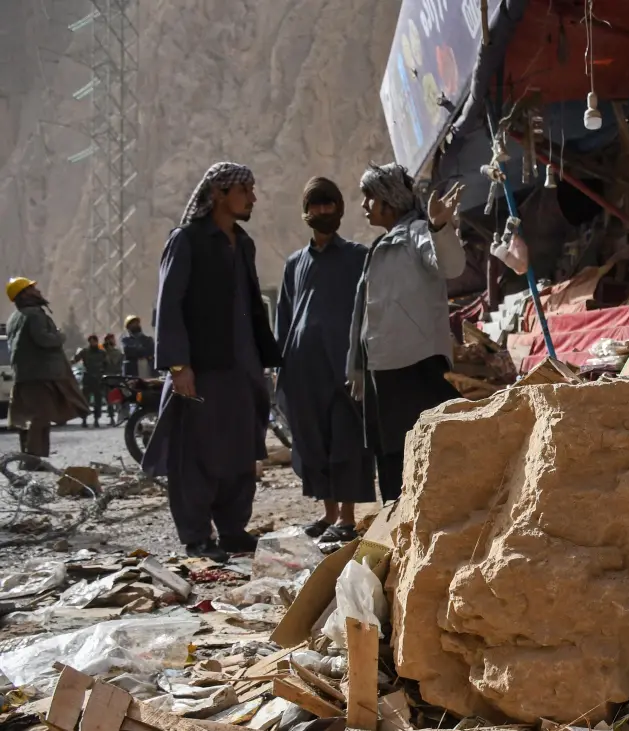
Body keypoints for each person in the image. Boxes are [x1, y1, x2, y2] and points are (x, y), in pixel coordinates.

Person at [144, 162, 282, 562]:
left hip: (243, 366)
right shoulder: (186, 240)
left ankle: (233, 531)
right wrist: (178, 366)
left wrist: (264, 359)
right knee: (197, 455)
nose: (253, 198)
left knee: (240, 451)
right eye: (245, 191)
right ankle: (197, 536)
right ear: (220, 194)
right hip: (201, 368)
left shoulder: (244, 243)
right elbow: (169, 305)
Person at [348, 163, 465, 503]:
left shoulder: (417, 234)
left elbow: (451, 265)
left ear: (389, 200)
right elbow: (364, 315)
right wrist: (357, 367)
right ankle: (396, 525)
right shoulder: (379, 247)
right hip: (381, 371)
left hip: (415, 367)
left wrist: (440, 226)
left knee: (425, 456)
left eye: (369, 197)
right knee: (390, 459)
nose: (364, 205)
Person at [276, 177, 375, 542]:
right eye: (315, 205)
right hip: (304, 369)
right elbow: (285, 317)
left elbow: (369, 311)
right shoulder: (295, 263)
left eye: (328, 204)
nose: (322, 210)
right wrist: (280, 365)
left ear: (339, 208)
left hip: (345, 367)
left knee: (346, 441)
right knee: (313, 441)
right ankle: (329, 514)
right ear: (306, 212)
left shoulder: (358, 257)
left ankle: (347, 518)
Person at [5, 277, 90, 459]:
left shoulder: (14, 318)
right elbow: (43, 339)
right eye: (32, 289)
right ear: (24, 294)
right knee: (41, 416)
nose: (38, 291)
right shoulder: (35, 315)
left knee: (29, 417)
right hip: (40, 376)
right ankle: (33, 459)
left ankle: (33, 457)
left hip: (24, 375)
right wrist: (60, 337)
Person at [72, 334, 107, 428]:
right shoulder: (85, 352)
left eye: (94, 341)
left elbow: (106, 364)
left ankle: (96, 419)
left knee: (98, 401)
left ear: (97, 342)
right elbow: (75, 360)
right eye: (91, 342)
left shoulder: (102, 353)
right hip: (88, 378)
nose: (93, 343)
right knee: (85, 400)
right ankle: (84, 419)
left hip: (98, 379)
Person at [101, 333, 124, 425]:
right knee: (110, 399)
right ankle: (113, 418)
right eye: (112, 339)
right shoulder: (103, 352)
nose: (114, 341)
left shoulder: (116, 352)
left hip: (114, 377)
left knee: (115, 399)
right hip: (108, 378)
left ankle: (117, 418)